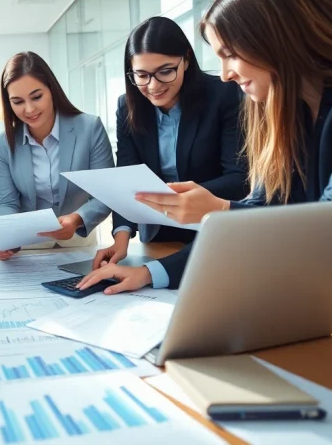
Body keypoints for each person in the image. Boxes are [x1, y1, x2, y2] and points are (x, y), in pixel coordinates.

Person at [78, 0, 332, 294]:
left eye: (231, 55)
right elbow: (261, 211)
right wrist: (151, 273)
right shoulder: (287, 115)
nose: (226, 74)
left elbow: (330, 227)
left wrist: (219, 207)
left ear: (278, 40)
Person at [84, 17, 247, 292]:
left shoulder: (224, 95)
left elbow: (240, 178)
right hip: (158, 235)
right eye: (142, 75)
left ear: (186, 60)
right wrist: (121, 236)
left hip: (214, 227)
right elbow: (126, 177)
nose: (153, 85)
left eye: (165, 71)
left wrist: (173, 198)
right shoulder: (128, 106)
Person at [0, 51, 114, 260]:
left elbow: (107, 193)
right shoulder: (3, 142)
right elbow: (6, 201)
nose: (29, 109)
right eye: (18, 101)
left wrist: (77, 218)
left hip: (78, 242)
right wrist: (5, 236)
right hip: (27, 247)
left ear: (52, 90)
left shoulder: (90, 128)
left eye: (37, 96)